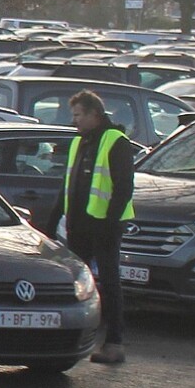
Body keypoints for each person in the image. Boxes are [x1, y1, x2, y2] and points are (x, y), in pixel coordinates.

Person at [51, 89, 138, 364]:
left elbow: (124, 188)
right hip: (79, 227)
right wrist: (51, 224)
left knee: (109, 282)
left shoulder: (116, 142)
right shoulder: (80, 142)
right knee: (73, 284)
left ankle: (114, 342)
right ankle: (68, 338)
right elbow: (68, 187)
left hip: (104, 228)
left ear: (94, 115)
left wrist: (109, 224)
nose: (74, 121)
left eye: (78, 115)